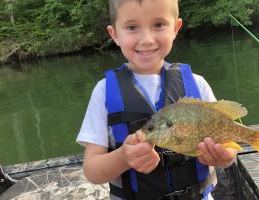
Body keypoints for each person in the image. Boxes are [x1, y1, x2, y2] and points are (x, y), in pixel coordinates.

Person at [76, 0, 238, 199]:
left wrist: (224, 156)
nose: (147, 39)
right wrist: (123, 157)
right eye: (132, 27)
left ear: (176, 28)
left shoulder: (198, 84)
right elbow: (92, 170)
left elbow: (229, 144)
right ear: (114, 34)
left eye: (159, 25)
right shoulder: (103, 92)